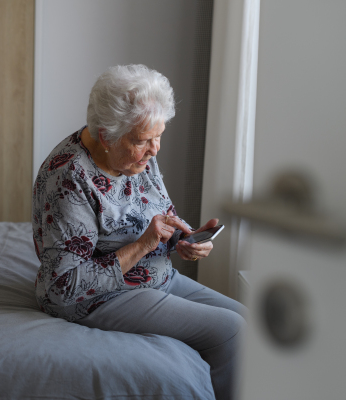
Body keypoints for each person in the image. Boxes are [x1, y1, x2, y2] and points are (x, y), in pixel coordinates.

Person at [31, 64, 247, 400]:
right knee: (232, 331)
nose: (155, 148)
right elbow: (63, 286)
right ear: (106, 136)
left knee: (248, 320)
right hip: (100, 297)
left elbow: (159, 212)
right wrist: (145, 245)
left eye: (159, 135)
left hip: (155, 276)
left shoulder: (133, 152)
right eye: (145, 140)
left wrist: (182, 238)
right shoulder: (69, 178)